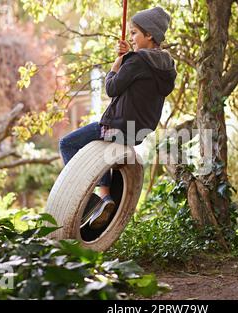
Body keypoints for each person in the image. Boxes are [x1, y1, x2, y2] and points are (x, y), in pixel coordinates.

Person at [59, 6, 177, 229]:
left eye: (134, 33)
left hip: (117, 126)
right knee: (108, 158)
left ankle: (100, 198)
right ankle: (107, 207)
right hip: (138, 131)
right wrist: (128, 56)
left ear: (149, 34)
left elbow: (112, 88)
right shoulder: (166, 67)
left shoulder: (138, 60)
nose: (131, 37)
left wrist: (116, 64)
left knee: (66, 144)